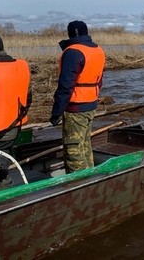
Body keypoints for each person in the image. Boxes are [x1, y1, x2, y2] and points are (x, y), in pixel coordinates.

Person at [50, 20, 105, 173]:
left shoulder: (73, 52)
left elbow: (65, 86)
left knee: (73, 149)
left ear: (71, 34)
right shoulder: (97, 50)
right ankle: (90, 176)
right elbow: (99, 80)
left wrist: (56, 113)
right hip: (91, 104)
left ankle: (79, 185)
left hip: (76, 106)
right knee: (84, 144)